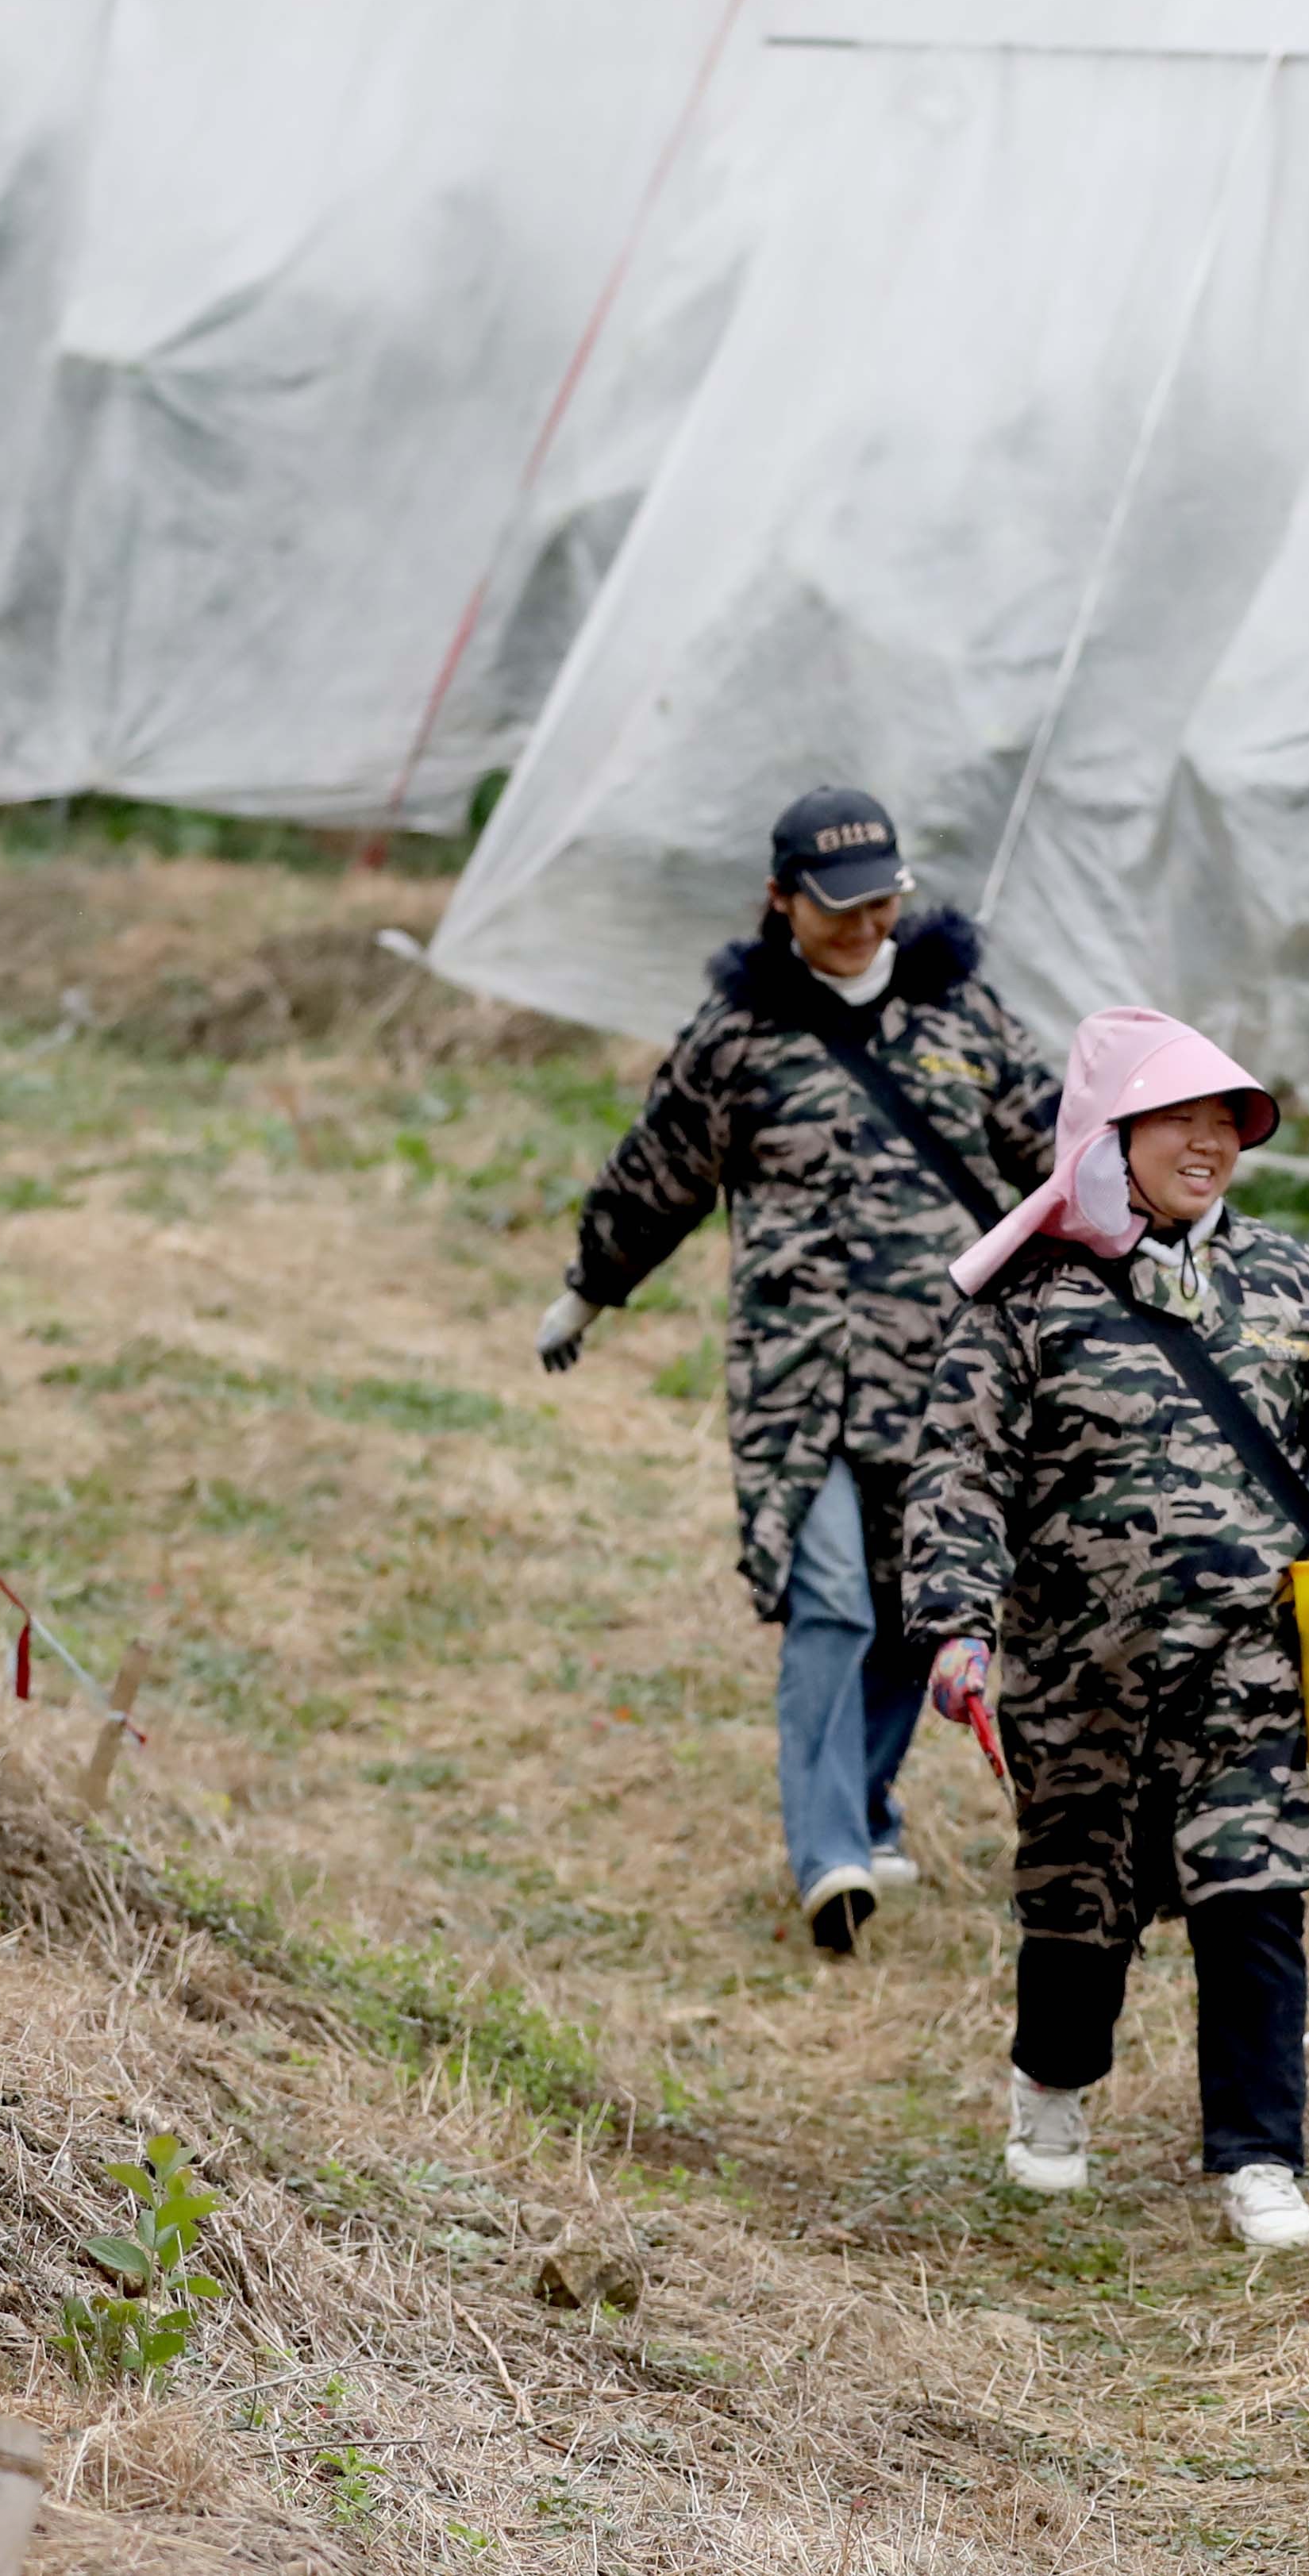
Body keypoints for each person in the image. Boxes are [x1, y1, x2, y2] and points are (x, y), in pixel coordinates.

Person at [908, 1011, 1309, 2253]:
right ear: (1112, 1138)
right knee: (1079, 1906)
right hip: (1076, 1673)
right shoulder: (1028, 1300)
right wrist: (956, 1627)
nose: (1210, 1143)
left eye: (1228, 1122)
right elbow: (959, 1475)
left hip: (1250, 1667)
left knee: (1253, 1894)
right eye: (1180, 1120)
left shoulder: (1292, 1282)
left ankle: (1261, 2157)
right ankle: (1051, 2089)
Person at [542, 787, 1056, 1957]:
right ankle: (827, 1854)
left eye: (883, 900)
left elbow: (1052, 1155)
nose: (868, 923)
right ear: (780, 902)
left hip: (944, 1377)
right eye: (840, 906)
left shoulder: (964, 1015)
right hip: (799, 1381)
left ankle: (868, 1800)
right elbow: (660, 1168)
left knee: (912, 1612)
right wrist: (587, 1286)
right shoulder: (738, 1040)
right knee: (827, 1599)